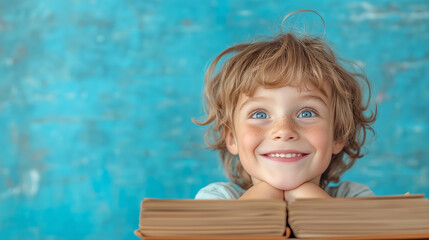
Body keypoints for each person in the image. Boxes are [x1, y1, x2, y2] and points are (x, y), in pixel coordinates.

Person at [193, 18, 377, 202]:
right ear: (232, 137)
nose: (284, 130)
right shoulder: (216, 199)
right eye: (260, 114)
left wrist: (307, 197)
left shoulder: (355, 197)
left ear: (337, 134)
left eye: (307, 113)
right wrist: (265, 195)